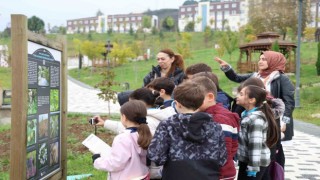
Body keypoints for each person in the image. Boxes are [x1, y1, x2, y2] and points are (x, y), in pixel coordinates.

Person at [147, 81, 227, 180]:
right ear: (201, 102)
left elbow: (156, 156)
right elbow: (222, 159)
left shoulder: (168, 125)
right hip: (208, 175)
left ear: (177, 103)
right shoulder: (215, 126)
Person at [215, 51, 295, 141]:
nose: (260, 62)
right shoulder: (256, 75)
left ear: (274, 61)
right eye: (260, 59)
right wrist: (227, 68)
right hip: (255, 117)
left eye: (264, 59)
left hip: (274, 118)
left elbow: (289, 102)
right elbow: (237, 78)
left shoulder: (282, 79)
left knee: (273, 147)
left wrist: (284, 122)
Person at [192, 76, 240, 180]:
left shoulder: (219, 119)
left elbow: (223, 152)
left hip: (218, 174)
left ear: (210, 97)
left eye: (194, 98)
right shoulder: (205, 114)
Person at [92, 100, 152, 180]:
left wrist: (97, 161)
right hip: (142, 176)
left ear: (124, 117)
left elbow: (115, 163)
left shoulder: (123, 138)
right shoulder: (145, 134)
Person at [236, 85, 279, 179]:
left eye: (241, 94)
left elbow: (255, 145)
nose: (237, 96)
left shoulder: (255, 119)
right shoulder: (247, 115)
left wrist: (253, 168)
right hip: (249, 161)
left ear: (252, 100)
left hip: (255, 163)